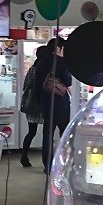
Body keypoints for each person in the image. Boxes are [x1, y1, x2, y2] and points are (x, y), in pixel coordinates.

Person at [31, 37, 72, 174]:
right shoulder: (62, 62)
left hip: (46, 104)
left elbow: (36, 85)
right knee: (65, 134)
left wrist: (40, 102)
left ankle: (47, 166)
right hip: (61, 104)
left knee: (47, 135)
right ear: (58, 48)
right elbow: (68, 82)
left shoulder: (41, 62)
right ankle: (64, 164)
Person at [18, 45, 51, 168]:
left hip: (31, 104)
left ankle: (24, 156)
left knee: (31, 132)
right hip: (43, 103)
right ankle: (46, 160)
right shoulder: (46, 69)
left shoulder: (32, 68)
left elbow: (25, 85)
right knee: (47, 133)